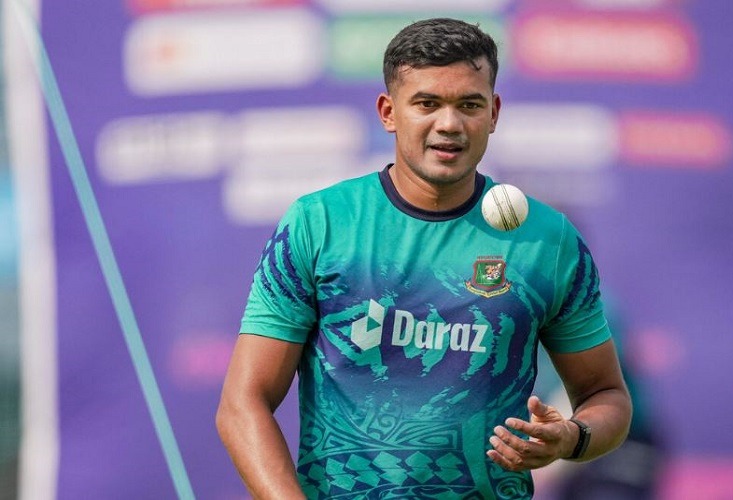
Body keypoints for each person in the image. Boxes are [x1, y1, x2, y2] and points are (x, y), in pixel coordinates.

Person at [216, 17, 632, 499]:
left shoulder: (547, 240)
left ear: (494, 112)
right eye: (427, 104)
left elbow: (606, 395)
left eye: (469, 104)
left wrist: (571, 438)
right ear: (388, 112)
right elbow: (243, 404)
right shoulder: (319, 223)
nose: (449, 124)